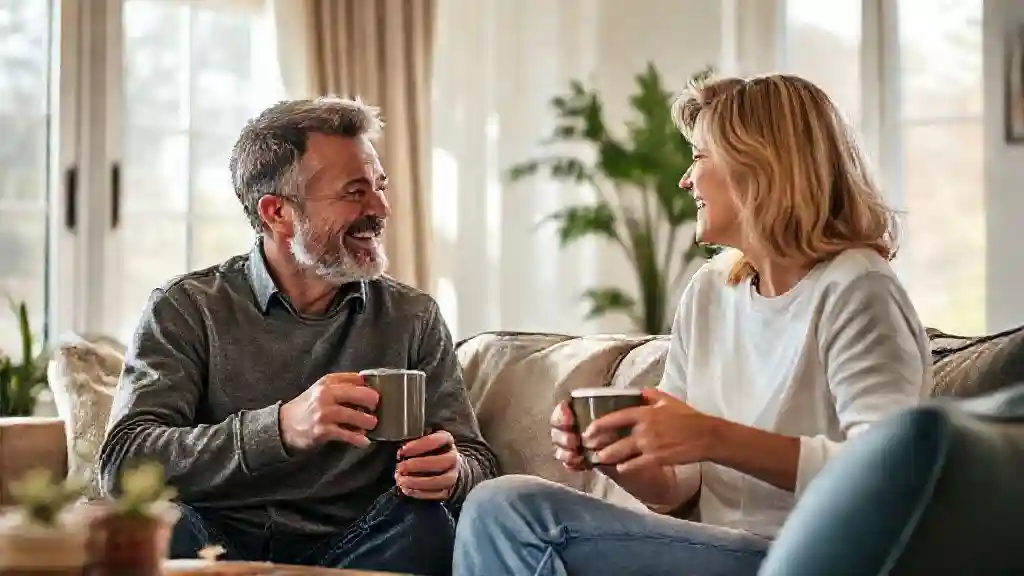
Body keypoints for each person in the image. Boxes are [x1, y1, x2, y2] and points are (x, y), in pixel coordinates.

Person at [452, 74, 933, 575]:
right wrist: (620, 455)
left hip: (821, 557)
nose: (686, 180)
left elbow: (891, 472)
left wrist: (711, 436)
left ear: (758, 166)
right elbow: (677, 488)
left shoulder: (857, 287)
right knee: (499, 503)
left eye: (700, 156)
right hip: (724, 550)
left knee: (509, 510)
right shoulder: (712, 289)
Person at [98, 97, 498, 576]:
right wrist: (281, 428)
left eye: (379, 186)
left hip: (365, 544)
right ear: (277, 212)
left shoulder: (413, 316)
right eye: (355, 192)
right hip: (215, 545)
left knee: (426, 524)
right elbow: (123, 463)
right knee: (164, 524)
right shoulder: (187, 308)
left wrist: (454, 473)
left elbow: (476, 459)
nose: (382, 208)